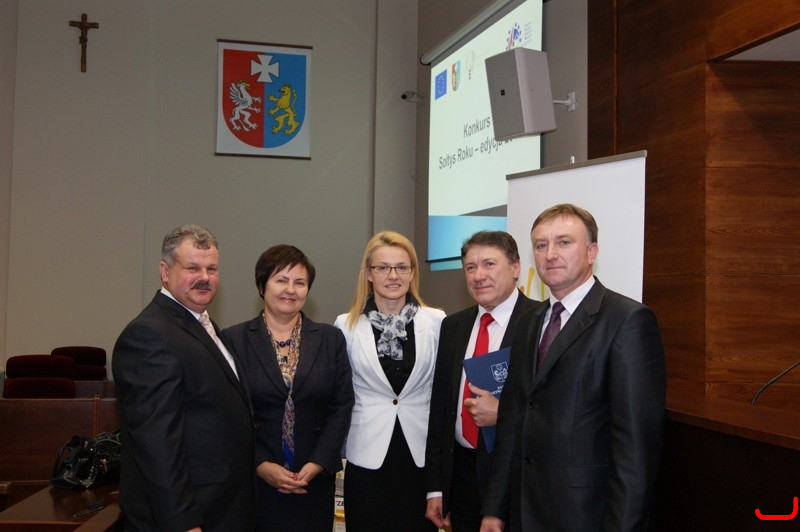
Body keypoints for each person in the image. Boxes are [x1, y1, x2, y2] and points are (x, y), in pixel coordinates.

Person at [480, 204, 666, 531]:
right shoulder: (528, 322)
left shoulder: (627, 321)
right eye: (541, 245)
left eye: (564, 242)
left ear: (592, 252)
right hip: (525, 512)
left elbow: (635, 451)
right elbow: (513, 422)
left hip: (586, 516)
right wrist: (494, 509)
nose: (550, 254)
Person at [112, 224, 255, 531]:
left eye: (211, 268)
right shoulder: (149, 335)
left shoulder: (205, 326)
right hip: (190, 515)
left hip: (223, 506)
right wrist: (183, 522)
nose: (204, 277)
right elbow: (157, 444)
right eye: (192, 268)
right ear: (165, 272)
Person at [221, 245, 354, 532]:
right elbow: (229, 414)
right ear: (262, 286)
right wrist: (260, 464)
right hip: (255, 481)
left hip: (314, 482)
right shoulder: (233, 340)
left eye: (300, 282)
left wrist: (318, 462)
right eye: (281, 280)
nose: (290, 290)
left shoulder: (330, 339)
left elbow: (341, 406)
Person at [425, 231, 540, 532]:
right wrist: (436, 488)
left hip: (517, 479)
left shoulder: (540, 322)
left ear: (515, 267)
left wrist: (502, 413)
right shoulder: (453, 325)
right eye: (471, 267)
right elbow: (440, 411)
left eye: (489, 264)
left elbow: (554, 409)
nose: (478, 276)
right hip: (461, 477)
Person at [334, 231, 445, 532]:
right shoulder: (346, 326)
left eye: (402, 267)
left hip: (419, 458)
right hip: (367, 458)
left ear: (412, 272)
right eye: (382, 267)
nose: (393, 275)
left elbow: (443, 394)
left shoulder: (436, 322)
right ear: (369, 274)